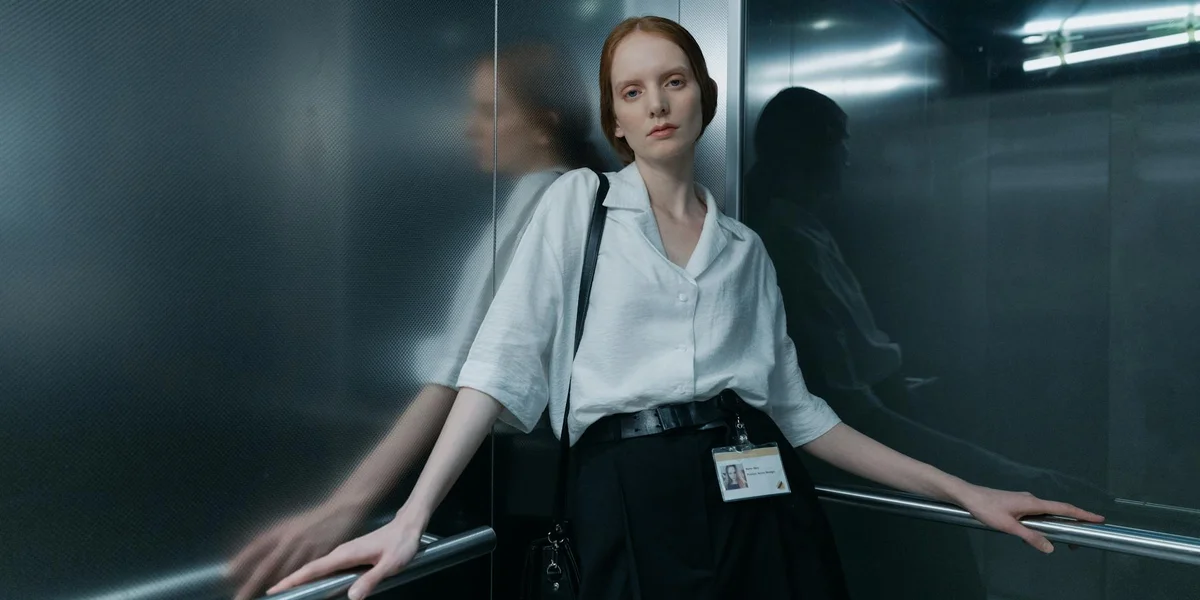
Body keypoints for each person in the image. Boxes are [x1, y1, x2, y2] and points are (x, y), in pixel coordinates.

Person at [266, 17, 1103, 600]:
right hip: (625, 491)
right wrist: (409, 518)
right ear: (616, 121)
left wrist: (967, 492)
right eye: (632, 93)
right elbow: (498, 366)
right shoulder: (576, 203)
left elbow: (806, 418)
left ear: (703, 96)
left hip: (760, 497)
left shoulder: (746, 248)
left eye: (673, 83)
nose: (656, 104)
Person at [226, 43, 608, 600]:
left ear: (545, 120)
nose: (468, 128)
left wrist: (345, 506)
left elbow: (460, 372)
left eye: (488, 111)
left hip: (495, 475)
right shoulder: (593, 193)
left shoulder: (541, 197)